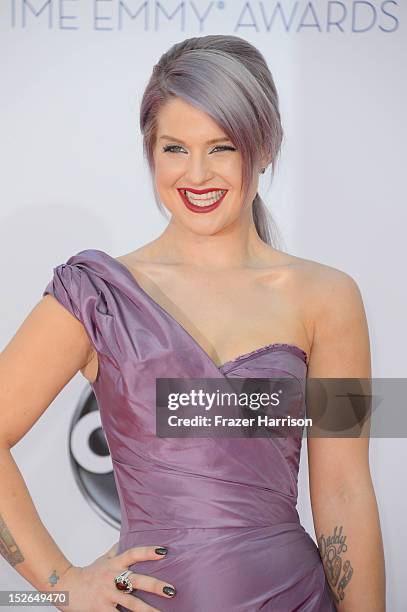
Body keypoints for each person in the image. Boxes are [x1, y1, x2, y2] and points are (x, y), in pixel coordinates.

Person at [0, 34, 385, 611]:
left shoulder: (328, 297)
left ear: (265, 146)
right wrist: (60, 583)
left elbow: (344, 489)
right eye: (175, 147)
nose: (197, 174)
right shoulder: (96, 295)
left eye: (222, 146)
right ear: (150, 151)